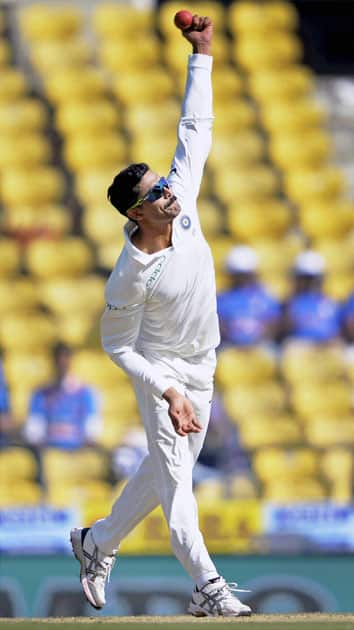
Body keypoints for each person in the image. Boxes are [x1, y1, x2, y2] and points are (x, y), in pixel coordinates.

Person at [70, 15, 251, 618]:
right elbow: (118, 348)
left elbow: (195, 128)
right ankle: (208, 588)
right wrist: (170, 390)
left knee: (161, 469)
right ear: (137, 213)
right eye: (156, 192)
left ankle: (95, 543)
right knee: (178, 488)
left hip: (205, 361)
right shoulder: (130, 273)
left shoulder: (183, 199)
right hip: (166, 370)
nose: (169, 191)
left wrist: (201, 54)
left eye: (164, 183)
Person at [23, 343, 101, 449]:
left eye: (65, 357)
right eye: (58, 357)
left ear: (71, 360)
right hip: (49, 451)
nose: (62, 362)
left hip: (79, 451)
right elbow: (34, 428)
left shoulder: (85, 392)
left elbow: (92, 427)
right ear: (53, 361)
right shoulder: (41, 393)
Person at [217, 245, 281, 347]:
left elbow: (272, 326)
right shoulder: (223, 299)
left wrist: (255, 342)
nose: (242, 278)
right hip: (230, 346)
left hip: (259, 346)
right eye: (238, 274)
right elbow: (220, 326)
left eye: (245, 274)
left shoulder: (266, 298)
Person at [280, 250, 342, 344]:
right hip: (300, 346)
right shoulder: (290, 303)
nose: (308, 282)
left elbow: (338, 331)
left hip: (328, 346)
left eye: (311, 279)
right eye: (304, 278)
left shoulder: (331, 302)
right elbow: (286, 329)